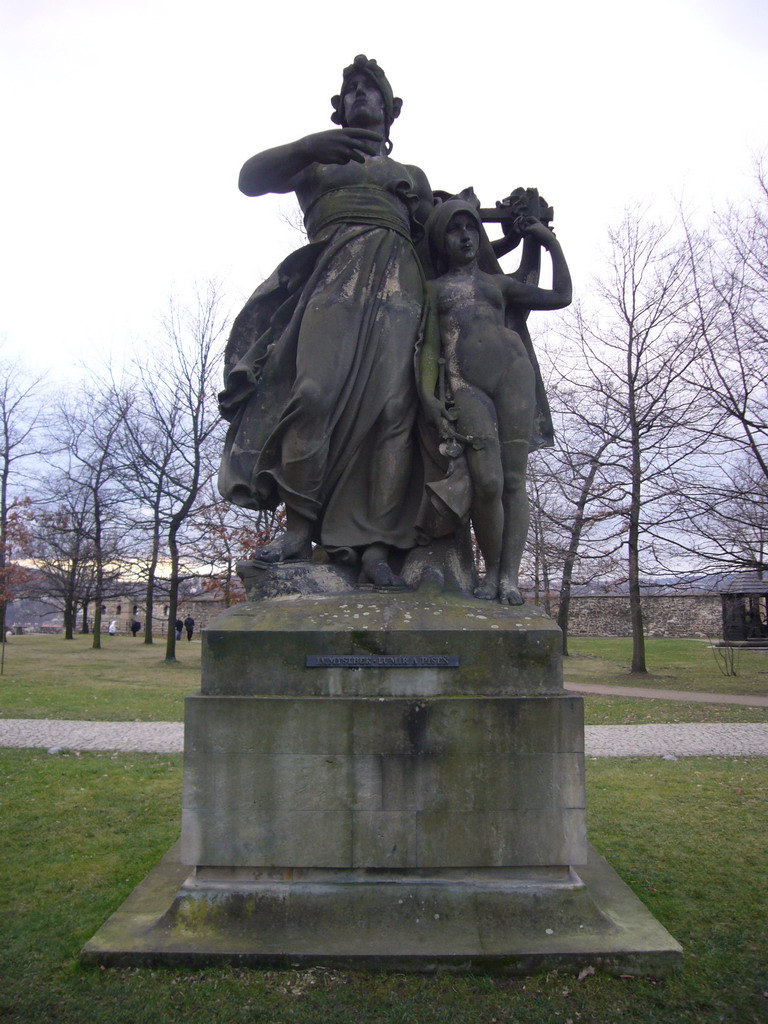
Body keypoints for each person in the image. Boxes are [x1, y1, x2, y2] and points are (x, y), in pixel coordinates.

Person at [218, 56, 434, 587]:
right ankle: (300, 527)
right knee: (313, 395)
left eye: (370, 89)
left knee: (394, 413)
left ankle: (376, 546)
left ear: (392, 108)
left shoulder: (410, 176)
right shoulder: (317, 163)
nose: (360, 95)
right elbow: (249, 178)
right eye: (351, 89)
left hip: (400, 291)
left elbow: (444, 238)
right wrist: (308, 146)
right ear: (338, 108)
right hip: (332, 279)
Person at [419, 200, 572, 604]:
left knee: (514, 481)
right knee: (488, 483)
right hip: (465, 384)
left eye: (472, 227)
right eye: (455, 229)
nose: (466, 235)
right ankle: (489, 573)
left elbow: (561, 296)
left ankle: (507, 578)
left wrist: (545, 240)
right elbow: (428, 348)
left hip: (512, 378)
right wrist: (426, 394)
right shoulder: (433, 290)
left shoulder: (497, 285)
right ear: (441, 239)